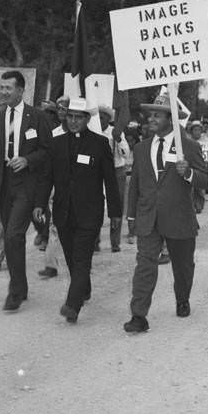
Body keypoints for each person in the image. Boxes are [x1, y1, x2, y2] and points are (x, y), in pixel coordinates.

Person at [124, 92, 208, 333]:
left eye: (157, 115)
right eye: (150, 114)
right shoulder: (141, 149)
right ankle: (138, 315)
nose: (151, 118)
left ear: (171, 119)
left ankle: (182, 298)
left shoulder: (189, 147)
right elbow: (136, 187)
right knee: (144, 265)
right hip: (148, 218)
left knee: (183, 266)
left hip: (180, 218)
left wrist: (189, 174)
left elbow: (206, 181)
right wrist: (131, 216)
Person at [33, 97, 122, 323]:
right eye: (70, 116)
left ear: (87, 119)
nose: (73, 121)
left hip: (90, 212)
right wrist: (39, 203)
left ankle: (73, 305)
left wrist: (115, 213)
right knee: (72, 257)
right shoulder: (56, 143)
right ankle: (84, 288)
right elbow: (46, 178)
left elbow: (110, 181)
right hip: (63, 211)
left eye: (78, 118)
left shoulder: (99, 144)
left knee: (82, 257)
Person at [0, 70, 51, 311]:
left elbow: (48, 151)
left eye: (8, 88)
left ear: (20, 90)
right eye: (2, 88)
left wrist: (28, 160)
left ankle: (15, 292)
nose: (4, 92)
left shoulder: (37, 118)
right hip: (3, 185)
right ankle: (22, 285)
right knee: (11, 238)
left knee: (13, 235)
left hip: (27, 185)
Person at [38, 94, 71, 280]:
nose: (61, 112)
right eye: (59, 109)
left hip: (77, 189)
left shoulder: (83, 133)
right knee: (54, 226)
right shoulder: (54, 133)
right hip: (58, 187)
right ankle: (51, 264)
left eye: (64, 108)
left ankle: (79, 265)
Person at [97, 105, 130, 253]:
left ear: (108, 119)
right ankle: (94, 241)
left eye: (102, 117)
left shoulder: (116, 132)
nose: (100, 120)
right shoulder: (93, 131)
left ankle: (115, 242)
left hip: (116, 170)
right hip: (98, 171)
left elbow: (126, 154)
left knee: (116, 205)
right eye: (97, 117)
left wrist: (118, 140)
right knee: (95, 205)